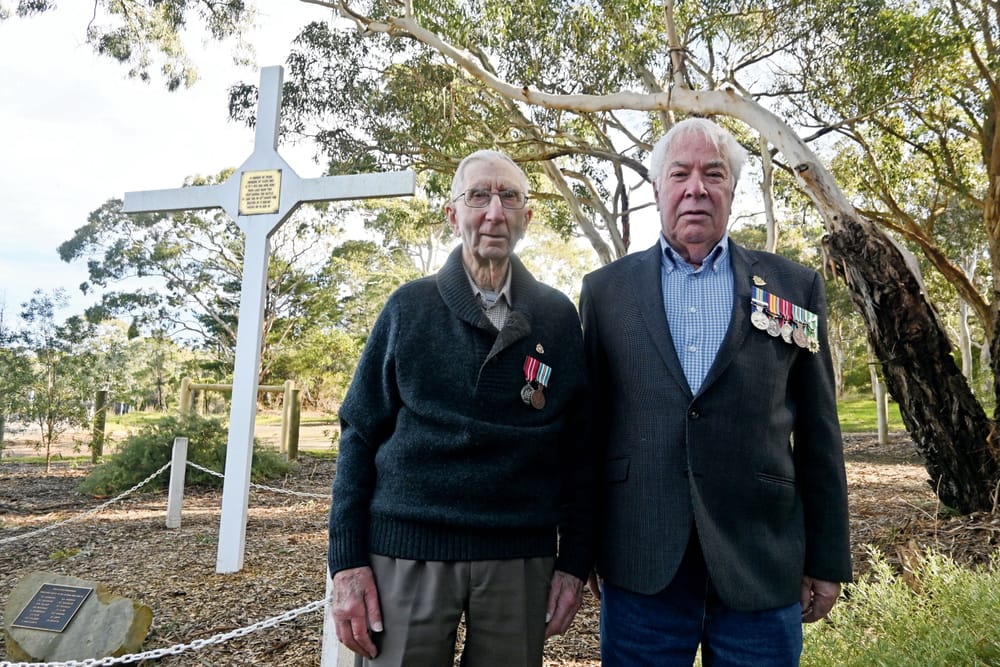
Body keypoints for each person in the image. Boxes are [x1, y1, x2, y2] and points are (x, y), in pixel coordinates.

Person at [579, 118, 852, 666]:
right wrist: (580, 551)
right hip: (642, 568)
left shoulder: (793, 287)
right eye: (679, 174)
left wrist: (827, 556)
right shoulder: (605, 291)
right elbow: (588, 435)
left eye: (713, 174)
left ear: (732, 188)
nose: (696, 188)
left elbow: (820, 432)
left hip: (761, 563)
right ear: (657, 189)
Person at [328, 149, 593, 666]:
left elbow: (580, 447)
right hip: (408, 552)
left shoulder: (557, 317)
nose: (494, 211)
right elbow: (359, 432)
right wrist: (347, 563)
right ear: (453, 214)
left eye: (509, 197)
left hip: (520, 558)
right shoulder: (409, 308)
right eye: (478, 196)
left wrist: (575, 561)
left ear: (526, 218)